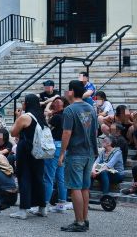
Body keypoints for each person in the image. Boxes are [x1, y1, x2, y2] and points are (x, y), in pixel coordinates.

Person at [58, 80, 98, 232]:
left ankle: (79, 222)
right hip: (89, 153)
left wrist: (62, 153)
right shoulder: (90, 108)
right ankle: (85, 219)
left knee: (75, 187)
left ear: (72, 92)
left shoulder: (70, 110)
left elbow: (67, 133)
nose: (66, 93)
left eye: (68, 90)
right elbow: (94, 131)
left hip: (75, 153)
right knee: (85, 188)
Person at [10, 94, 47, 220]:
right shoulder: (41, 116)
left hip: (26, 150)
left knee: (24, 177)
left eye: (23, 102)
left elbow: (13, 132)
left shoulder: (25, 117)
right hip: (39, 150)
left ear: (27, 103)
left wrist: (17, 117)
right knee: (38, 178)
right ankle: (42, 208)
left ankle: (23, 210)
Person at [44, 97, 68, 213]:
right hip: (63, 147)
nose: (56, 104)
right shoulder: (67, 116)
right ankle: (61, 205)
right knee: (60, 178)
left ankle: (44, 205)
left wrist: (48, 108)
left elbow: (46, 129)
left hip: (54, 146)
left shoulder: (56, 117)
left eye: (57, 103)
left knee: (49, 177)